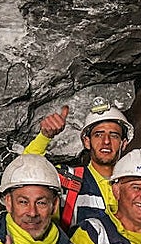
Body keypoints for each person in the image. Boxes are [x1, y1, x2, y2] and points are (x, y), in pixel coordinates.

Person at [23, 97, 133, 228]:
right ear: (87, 142)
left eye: (114, 135)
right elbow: (26, 171)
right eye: (98, 134)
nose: (106, 141)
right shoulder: (67, 179)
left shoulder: (137, 188)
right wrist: (45, 136)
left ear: (124, 143)